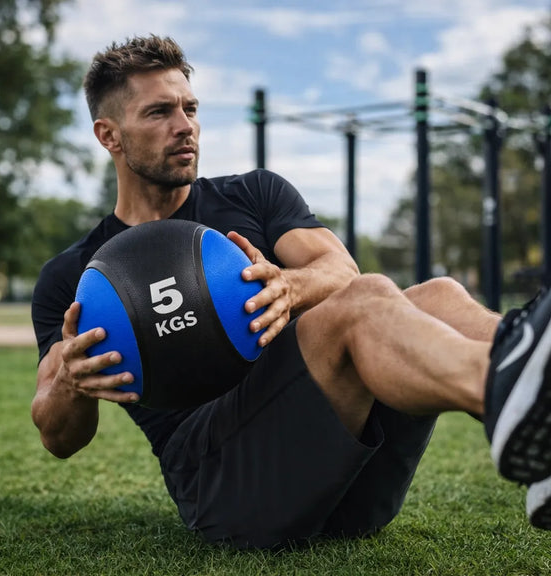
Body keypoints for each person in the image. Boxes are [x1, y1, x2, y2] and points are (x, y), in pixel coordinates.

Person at [31, 34, 551, 549]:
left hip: (352, 482)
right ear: (109, 135)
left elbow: (340, 270)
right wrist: (72, 384)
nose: (185, 125)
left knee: (435, 295)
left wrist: (290, 284)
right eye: (159, 112)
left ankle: (531, 383)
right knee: (364, 304)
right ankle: (513, 391)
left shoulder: (253, 194)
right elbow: (57, 437)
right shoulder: (75, 276)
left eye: (190, 108)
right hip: (226, 487)